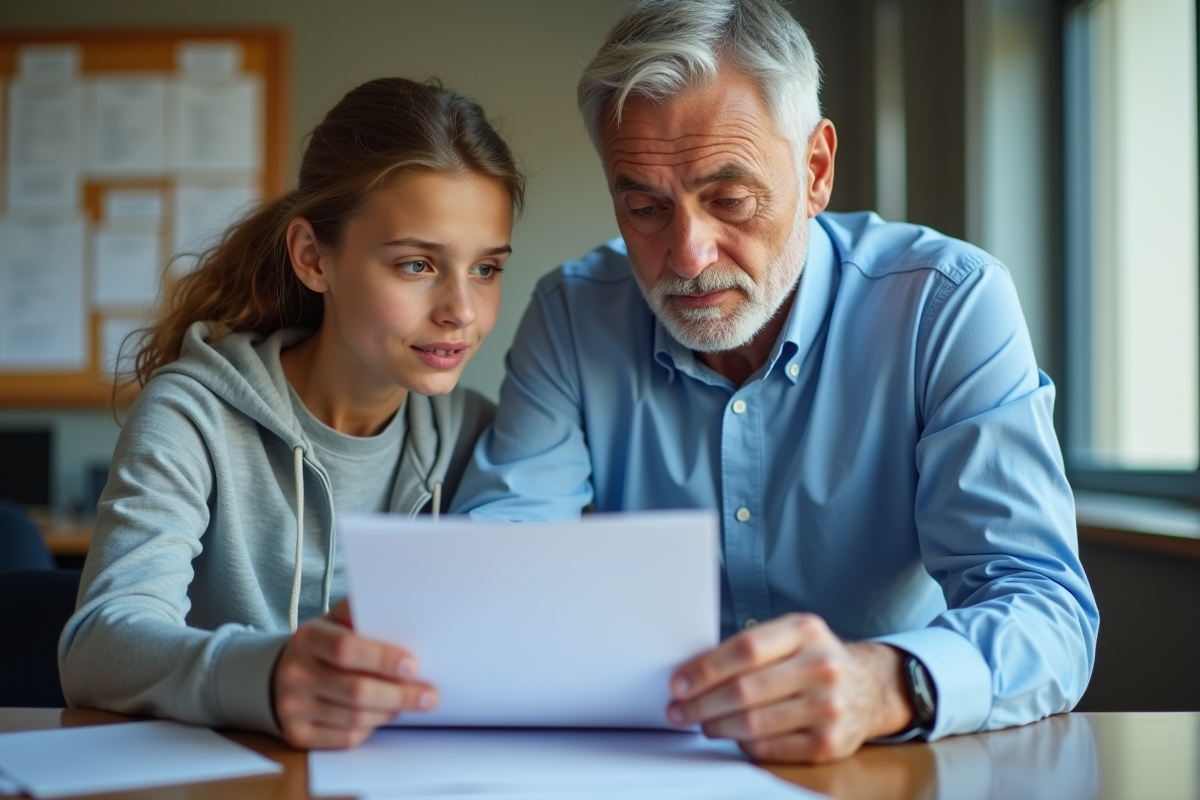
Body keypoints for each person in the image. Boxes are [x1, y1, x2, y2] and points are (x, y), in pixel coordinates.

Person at [452, 0, 1098, 763]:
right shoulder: (572, 314)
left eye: (730, 200)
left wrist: (884, 684)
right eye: (646, 207)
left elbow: (1044, 609)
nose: (688, 256)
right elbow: (499, 563)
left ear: (815, 170)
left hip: (881, 764)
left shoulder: (947, 304)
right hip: (649, 763)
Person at [59, 77, 523, 750]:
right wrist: (272, 676)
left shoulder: (482, 437)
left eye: (486, 269)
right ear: (313, 258)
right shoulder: (193, 415)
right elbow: (97, 646)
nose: (462, 310)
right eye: (417, 265)